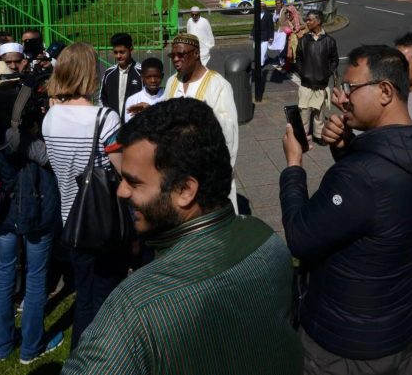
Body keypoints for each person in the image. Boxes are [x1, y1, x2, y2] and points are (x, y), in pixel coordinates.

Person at [63, 98, 302, 374]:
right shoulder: (267, 241)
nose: (121, 192)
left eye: (134, 182)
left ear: (185, 190)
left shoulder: (134, 308)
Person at [281, 45, 412, 375]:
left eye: (351, 88)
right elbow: (384, 207)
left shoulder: (361, 177)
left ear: (384, 91)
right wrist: (348, 147)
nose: (343, 97)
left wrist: (294, 165)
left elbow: (300, 237)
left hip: (348, 342)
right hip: (406, 323)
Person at [42, 43, 128, 349]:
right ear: (89, 72)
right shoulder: (105, 118)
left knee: (85, 296)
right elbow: (124, 170)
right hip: (104, 222)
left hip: (71, 221)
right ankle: (103, 357)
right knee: (106, 295)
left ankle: (80, 356)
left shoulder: (49, 118)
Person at [0, 107, 64, 364]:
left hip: (5, 215)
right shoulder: (24, 140)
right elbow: (51, 159)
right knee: (35, 277)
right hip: (36, 215)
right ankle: (31, 347)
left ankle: (3, 346)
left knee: (5, 274)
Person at [164, 33, 239, 176]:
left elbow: (230, 130)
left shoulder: (219, 85)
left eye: (181, 55)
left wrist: (200, 118)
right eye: (172, 56)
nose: (175, 60)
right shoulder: (171, 82)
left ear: (196, 53)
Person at [295, 10, 339, 144]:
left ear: (318, 21)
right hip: (306, 84)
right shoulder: (304, 40)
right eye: (307, 20)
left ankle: (318, 135)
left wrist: (327, 73)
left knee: (319, 113)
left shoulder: (329, 41)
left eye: (310, 20)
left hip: (321, 84)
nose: (307, 22)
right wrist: (302, 73)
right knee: (304, 113)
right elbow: (298, 59)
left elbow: (334, 60)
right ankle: (303, 137)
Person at [99, 33, 142, 122]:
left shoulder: (141, 72)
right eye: (115, 52)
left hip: (135, 125)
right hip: (112, 125)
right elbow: (102, 98)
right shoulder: (109, 73)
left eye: (122, 52)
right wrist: (109, 117)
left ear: (131, 50)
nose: (118, 56)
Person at [123, 57, 165, 121]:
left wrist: (149, 110)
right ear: (142, 77)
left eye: (156, 76)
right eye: (148, 77)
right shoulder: (132, 100)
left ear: (162, 76)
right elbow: (130, 126)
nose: (153, 80)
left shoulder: (169, 96)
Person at [276, 0, 303, 66]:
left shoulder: (297, 17)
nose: (288, 14)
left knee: (296, 51)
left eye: (289, 12)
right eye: (287, 12)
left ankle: (298, 64)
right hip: (290, 38)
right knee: (289, 51)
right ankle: (288, 65)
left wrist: (296, 29)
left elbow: (303, 25)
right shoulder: (289, 18)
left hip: (297, 37)